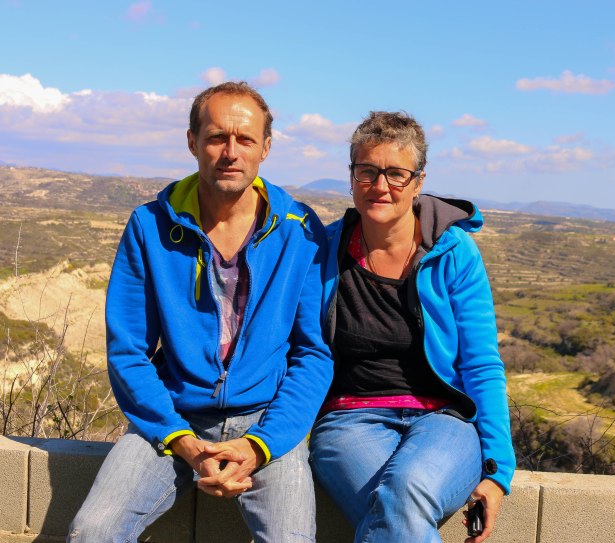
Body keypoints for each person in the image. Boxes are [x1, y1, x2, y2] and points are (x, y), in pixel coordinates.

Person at [68, 82, 333, 543]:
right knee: (93, 531)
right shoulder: (150, 226)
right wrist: (184, 442)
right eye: (216, 138)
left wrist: (260, 446)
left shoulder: (298, 230)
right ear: (192, 142)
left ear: (265, 148)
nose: (231, 152)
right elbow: (128, 351)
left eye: (245, 139)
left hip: (266, 419)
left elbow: (314, 353)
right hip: (174, 418)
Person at [310, 111, 515, 543]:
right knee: (399, 503)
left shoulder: (453, 252)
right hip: (349, 420)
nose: (380, 185)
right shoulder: (324, 252)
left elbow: (480, 363)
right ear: (351, 177)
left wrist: (497, 471)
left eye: (396, 174)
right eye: (367, 171)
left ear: (418, 181)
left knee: (403, 492)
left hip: (443, 419)